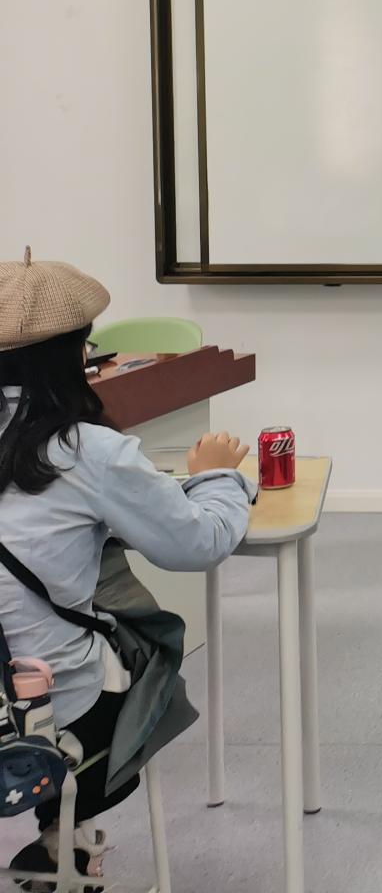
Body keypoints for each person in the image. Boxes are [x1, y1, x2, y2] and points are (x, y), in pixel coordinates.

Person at [0, 251, 251, 883]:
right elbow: (198, 543)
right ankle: (66, 831)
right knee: (147, 646)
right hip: (49, 721)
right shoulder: (86, 450)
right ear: (76, 354)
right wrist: (217, 476)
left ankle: (61, 841)